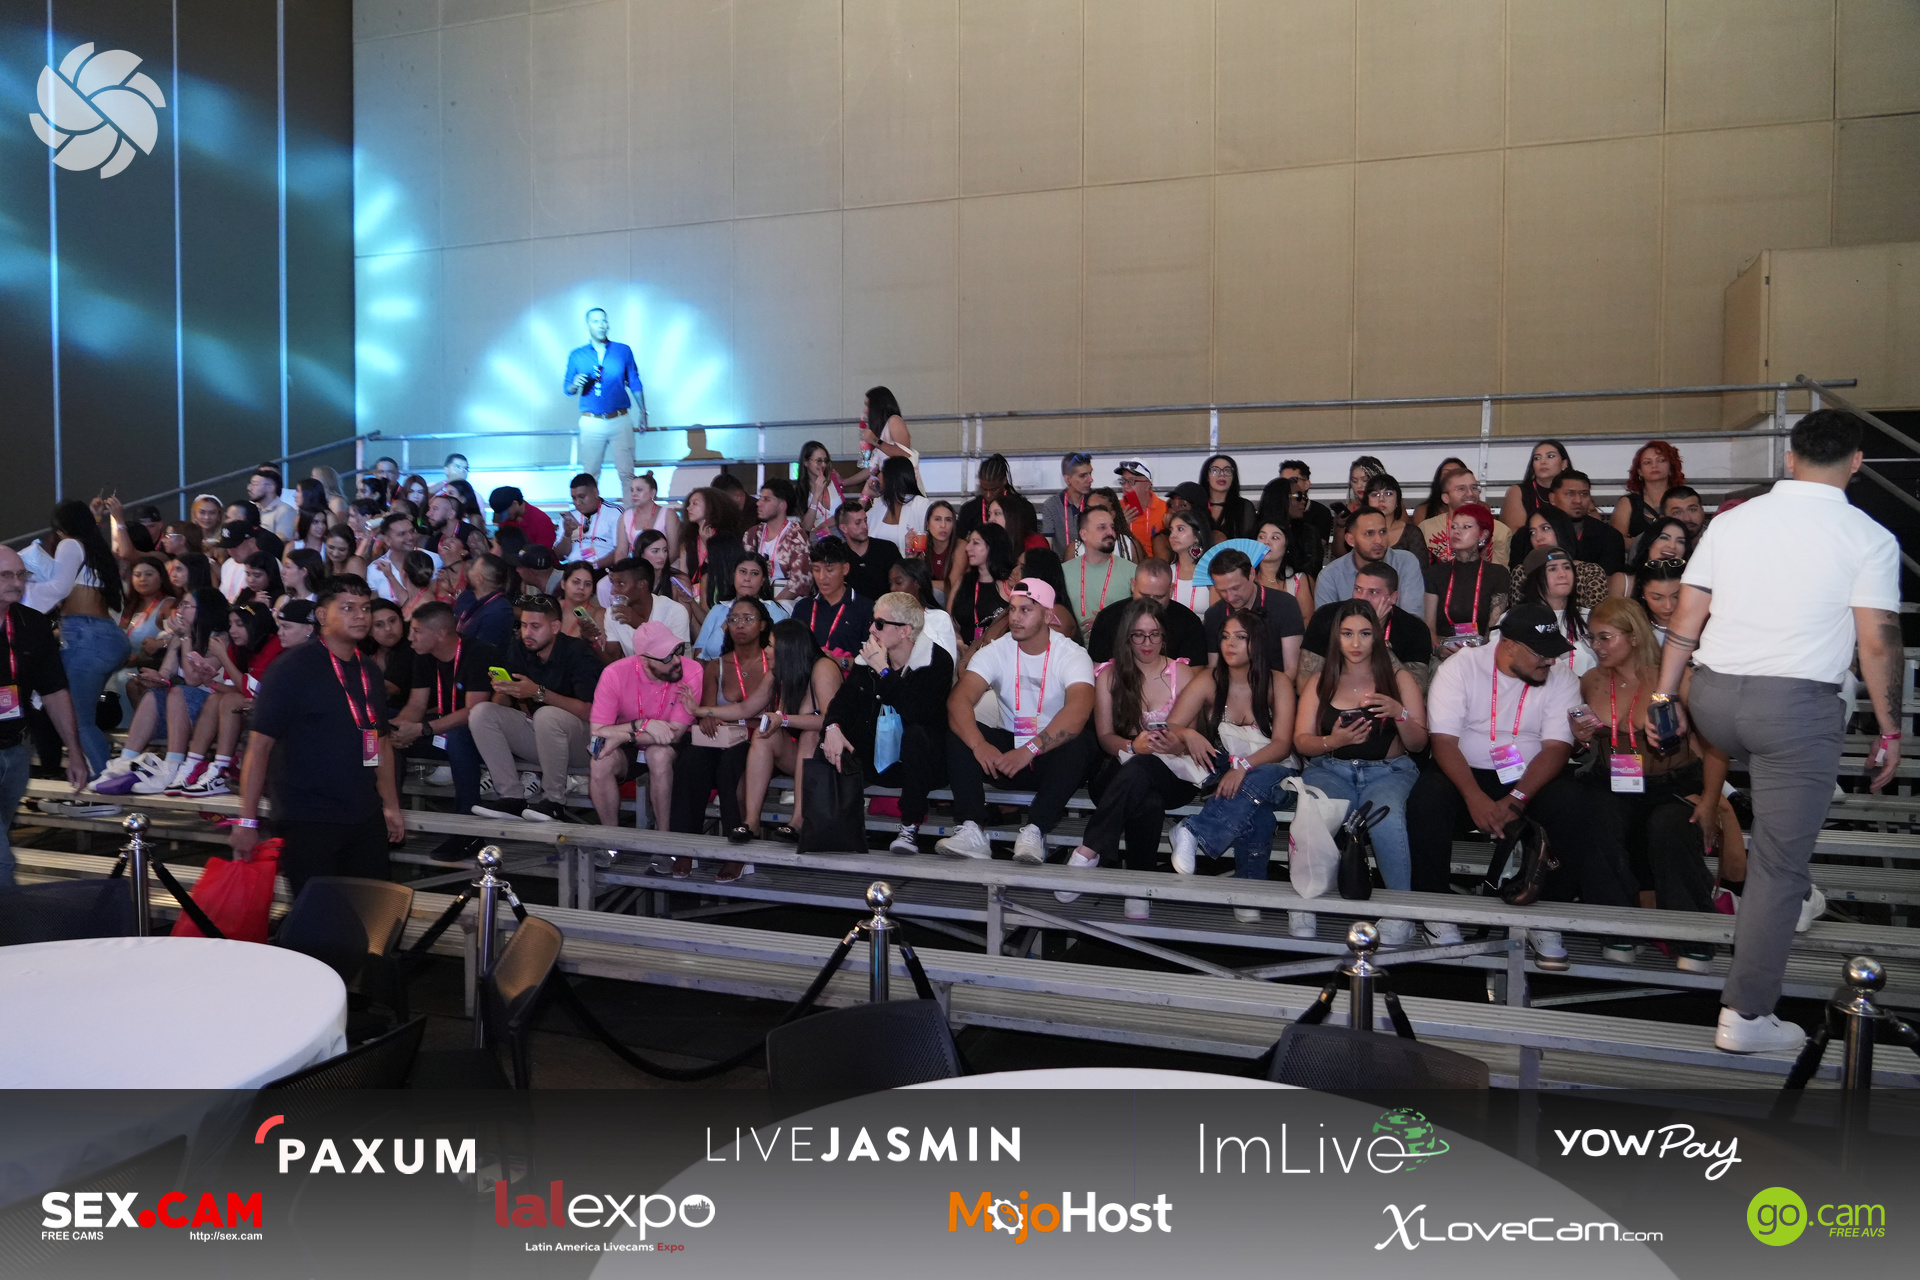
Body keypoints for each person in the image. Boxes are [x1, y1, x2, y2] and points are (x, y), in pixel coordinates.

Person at [1647, 409, 1902, 1053]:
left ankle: (1762, 824)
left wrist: (1664, 696)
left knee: (1768, 785)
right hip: (1790, 711)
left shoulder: (1732, 521)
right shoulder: (1868, 535)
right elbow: (1877, 642)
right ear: (1856, 463)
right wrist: (1890, 728)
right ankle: (1746, 1015)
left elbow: (1687, 615)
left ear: (1789, 459)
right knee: (1780, 868)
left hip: (1712, 700)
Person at [1406, 603, 1638, 968]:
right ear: (1509, 645)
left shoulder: (1560, 677)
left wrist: (1517, 797)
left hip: (1529, 775)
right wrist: (1474, 797)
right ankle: (1435, 912)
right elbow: (1444, 743)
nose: (1550, 661)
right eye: (1541, 653)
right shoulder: (1461, 668)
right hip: (1466, 772)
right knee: (1427, 798)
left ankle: (1544, 918)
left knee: (1573, 803)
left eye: (1553, 652)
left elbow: (1557, 748)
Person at [1569, 598, 1723, 970]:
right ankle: (1617, 930)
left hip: (1671, 784)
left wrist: (1710, 801)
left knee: (1670, 824)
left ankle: (1692, 935)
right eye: (1592, 638)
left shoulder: (1676, 678)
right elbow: (1578, 745)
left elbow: (1715, 746)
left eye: (1605, 637)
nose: (1597, 646)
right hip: (1611, 782)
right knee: (1595, 814)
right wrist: (1579, 738)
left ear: (1634, 636)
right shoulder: (1590, 682)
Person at [229, 575, 405, 896]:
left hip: (364, 814)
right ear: (322, 615)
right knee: (318, 916)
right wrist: (247, 821)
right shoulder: (291, 668)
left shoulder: (368, 670)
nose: (360, 616)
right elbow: (259, 747)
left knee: (371, 912)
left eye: (365, 608)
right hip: (308, 818)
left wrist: (391, 806)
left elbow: (377, 741)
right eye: (348, 608)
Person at [1296, 600, 1437, 945]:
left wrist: (1400, 713)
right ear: (1337, 638)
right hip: (1332, 768)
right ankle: (1304, 902)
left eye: (1364, 634)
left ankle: (1399, 912)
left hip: (1388, 771)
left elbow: (1419, 744)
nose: (1356, 643)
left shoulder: (1398, 678)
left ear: (1377, 636)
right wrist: (1334, 740)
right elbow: (1301, 741)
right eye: (1347, 634)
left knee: (1386, 817)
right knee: (1314, 810)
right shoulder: (1321, 680)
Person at [937, 579, 1097, 862]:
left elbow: (1078, 712)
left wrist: (1030, 749)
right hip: (1007, 756)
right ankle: (972, 828)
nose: (1015, 617)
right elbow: (957, 701)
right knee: (960, 734)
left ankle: (1035, 830)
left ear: (1048, 616)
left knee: (1082, 741)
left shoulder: (1072, 654)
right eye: (1012, 609)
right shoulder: (997, 650)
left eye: (1026, 610)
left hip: (1049, 756)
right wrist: (978, 745)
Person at [1164, 609, 1298, 924]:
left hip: (1277, 772)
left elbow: (1282, 745)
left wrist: (1245, 767)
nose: (1230, 644)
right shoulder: (1210, 679)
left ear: (1258, 643)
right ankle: (1249, 893)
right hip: (1231, 773)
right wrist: (1190, 734)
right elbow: (1172, 725)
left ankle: (1193, 830)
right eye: (1225, 637)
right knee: (1258, 813)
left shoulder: (1278, 682)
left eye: (1240, 637)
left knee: (1262, 776)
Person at [1067, 599, 1205, 904]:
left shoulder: (1182, 673)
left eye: (1154, 634)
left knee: (1144, 768)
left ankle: (1089, 849)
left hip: (1172, 772)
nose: (1147, 643)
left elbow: (1188, 736)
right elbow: (1105, 737)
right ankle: (1139, 891)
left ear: (1164, 636)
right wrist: (1132, 746)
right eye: (1139, 635)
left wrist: (1175, 744)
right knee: (1146, 796)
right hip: (1120, 767)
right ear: (1126, 637)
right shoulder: (1109, 675)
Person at [821, 590, 955, 855]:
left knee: (916, 734)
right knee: (831, 739)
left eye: (880, 624)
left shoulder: (936, 660)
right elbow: (843, 702)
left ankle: (910, 826)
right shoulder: (868, 658)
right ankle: (829, 825)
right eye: (873, 621)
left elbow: (917, 711)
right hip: (876, 756)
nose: (872, 628)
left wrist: (883, 671)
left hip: (922, 763)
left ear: (905, 631)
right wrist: (833, 727)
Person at [465, 594, 602, 822]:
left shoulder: (578, 652)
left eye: (536, 626)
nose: (527, 633)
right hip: (543, 737)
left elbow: (589, 712)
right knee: (482, 713)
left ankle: (554, 802)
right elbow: (507, 703)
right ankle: (511, 798)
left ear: (555, 627)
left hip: (584, 743)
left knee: (547, 715)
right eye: (524, 625)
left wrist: (538, 692)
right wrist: (504, 690)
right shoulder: (519, 648)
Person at [0, 546, 87, 877]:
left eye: (21, 574)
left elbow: (54, 691)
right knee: (2, 861)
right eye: (6, 575)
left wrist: (74, 752)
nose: (16, 582)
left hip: (15, 751)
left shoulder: (32, 624)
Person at [387, 601, 498, 855]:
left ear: (439, 633)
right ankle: (391, 821)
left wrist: (422, 729)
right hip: (440, 730)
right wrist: (401, 729)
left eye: (417, 631)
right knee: (383, 725)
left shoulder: (478, 653)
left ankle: (468, 833)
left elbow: (473, 711)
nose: (410, 637)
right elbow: (416, 704)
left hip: (480, 737)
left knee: (459, 736)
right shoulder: (423, 654)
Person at [32, 501, 129, 781]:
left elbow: (58, 588)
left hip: (86, 638)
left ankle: (106, 783)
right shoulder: (95, 550)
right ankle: (93, 778)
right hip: (103, 636)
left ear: (60, 528)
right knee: (59, 706)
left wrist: (21, 592)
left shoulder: (70, 545)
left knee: (78, 719)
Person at [673, 597, 773, 866]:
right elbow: (708, 715)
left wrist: (730, 720)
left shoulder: (774, 662)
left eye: (748, 619)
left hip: (761, 742)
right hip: (722, 738)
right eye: (734, 619)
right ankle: (686, 848)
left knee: (730, 764)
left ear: (763, 625)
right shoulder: (716, 665)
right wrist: (708, 718)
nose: (740, 624)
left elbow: (778, 714)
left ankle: (737, 853)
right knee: (690, 760)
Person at [730, 619, 843, 842]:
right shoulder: (781, 670)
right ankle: (751, 822)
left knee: (810, 736)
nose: (765, 649)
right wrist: (701, 711)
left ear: (788, 647)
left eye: (771, 645)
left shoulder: (823, 667)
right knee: (763, 736)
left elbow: (831, 721)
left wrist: (783, 719)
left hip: (833, 755)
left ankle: (798, 821)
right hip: (801, 758)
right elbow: (746, 708)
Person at [589, 622, 699, 844]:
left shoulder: (691, 670)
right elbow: (597, 733)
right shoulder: (614, 673)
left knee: (658, 754)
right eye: (666, 657)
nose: (676, 660)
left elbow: (674, 734)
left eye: (677, 651)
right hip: (631, 745)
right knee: (600, 760)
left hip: (671, 745)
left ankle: (663, 841)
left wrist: (625, 735)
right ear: (645, 660)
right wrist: (641, 724)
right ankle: (611, 842)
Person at [563, 306, 646, 485]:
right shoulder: (577, 355)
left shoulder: (623, 351)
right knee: (590, 475)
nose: (601, 325)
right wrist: (575, 384)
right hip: (591, 421)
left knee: (627, 474)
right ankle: (592, 505)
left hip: (620, 418)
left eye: (604, 321)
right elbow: (567, 388)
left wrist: (643, 411)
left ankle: (629, 505)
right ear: (587, 325)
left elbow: (634, 381)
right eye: (595, 321)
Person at [1085, 558, 1210, 667]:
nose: (1150, 603)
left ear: (1171, 590)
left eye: (1158, 597)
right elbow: (1097, 669)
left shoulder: (1188, 622)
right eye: (1144, 595)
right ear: (1133, 585)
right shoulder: (1108, 618)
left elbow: (1195, 672)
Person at [1202, 548, 1303, 678]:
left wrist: (1273, 689)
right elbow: (1213, 670)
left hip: (1275, 684)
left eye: (1236, 588)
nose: (1230, 597)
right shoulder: (1214, 615)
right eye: (1222, 591)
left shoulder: (1284, 604)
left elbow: (1291, 669)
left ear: (1251, 574)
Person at [1422, 502, 1510, 651]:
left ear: (1483, 534)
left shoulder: (1498, 574)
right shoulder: (1435, 573)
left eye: (1466, 527)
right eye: (1453, 527)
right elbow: (1429, 625)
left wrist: (1477, 653)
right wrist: (1438, 649)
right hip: (1444, 650)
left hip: (1483, 651)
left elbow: (1493, 628)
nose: (1456, 532)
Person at [1315, 509, 1429, 621]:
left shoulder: (1405, 562)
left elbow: (1412, 619)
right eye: (1369, 533)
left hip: (1398, 633)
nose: (1379, 540)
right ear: (1350, 540)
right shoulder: (1330, 576)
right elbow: (1325, 625)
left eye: (1383, 532)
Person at [792, 537, 875, 669]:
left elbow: (873, 663)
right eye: (816, 570)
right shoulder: (803, 607)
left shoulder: (866, 609)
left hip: (848, 679)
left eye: (829, 570)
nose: (822, 577)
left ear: (845, 569)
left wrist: (839, 661)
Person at [1512, 546, 1595, 675]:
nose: (1562, 574)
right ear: (1535, 577)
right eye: (1552, 569)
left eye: (1567, 567)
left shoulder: (1591, 618)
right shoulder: (1514, 620)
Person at [694, 553, 788, 660]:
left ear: (763, 580)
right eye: (743, 572)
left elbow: (782, 657)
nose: (747, 578)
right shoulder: (718, 610)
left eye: (755, 573)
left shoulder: (774, 612)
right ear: (734, 575)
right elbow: (698, 655)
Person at [1417, 466, 1513, 566]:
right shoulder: (1426, 528)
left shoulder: (1500, 531)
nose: (1470, 493)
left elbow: (1499, 572)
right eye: (1461, 489)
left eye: (1474, 488)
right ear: (1446, 498)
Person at [1522, 504, 1609, 610]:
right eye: (1532, 532)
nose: (1538, 537)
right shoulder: (1523, 571)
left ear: (1561, 530)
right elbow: (1517, 614)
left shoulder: (1590, 571)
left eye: (1545, 528)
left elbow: (1599, 615)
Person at [1061, 505, 1137, 628]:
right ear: (1084, 534)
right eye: (1102, 527)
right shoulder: (1063, 572)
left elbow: (1140, 615)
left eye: (1112, 527)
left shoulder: (1133, 572)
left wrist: (1107, 622)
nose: (1110, 532)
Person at [1549, 470, 1626, 576]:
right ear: (1552, 498)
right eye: (1570, 494)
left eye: (1584, 494)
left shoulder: (1609, 536)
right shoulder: (1536, 533)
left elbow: (1609, 579)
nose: (1578, 500)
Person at [951, 523, 1015, 648]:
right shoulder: (964, 581)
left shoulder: (1009, 584)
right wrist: (959, 643)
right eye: (969, 542)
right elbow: (951, 622)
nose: (968, 548)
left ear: (993, 547)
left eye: (975, 543)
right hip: (962, 650)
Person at [748, 478, 811, 601]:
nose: (758, 503)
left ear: (782, 505)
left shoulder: (796, 536)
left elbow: (800, 583)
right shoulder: (752, 534)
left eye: (766, 499)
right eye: (760, 498)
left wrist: (772, 606)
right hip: (757, 600)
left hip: (787, 603)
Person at [885, 558, 959, 659]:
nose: (892, 588)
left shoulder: (939, 618)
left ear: (917, 583)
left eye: (899, 583)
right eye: (890, 583)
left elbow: (949, 660)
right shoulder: (888, 618)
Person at [1613, 440, 1684, 538]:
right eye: (1647, 462)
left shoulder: (1684, 498)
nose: (1654, 466)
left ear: (1671, 467)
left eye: (1661, 460)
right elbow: (1616, 540)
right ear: (1639, 471)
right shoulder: (1627, 502)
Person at [848, 386, 913, 493]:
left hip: (902, 490)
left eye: (868, 405)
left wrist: (875, 441)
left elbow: (905, 455)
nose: (865, 410)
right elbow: (871, 469)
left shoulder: (895, 421)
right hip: (889, 490)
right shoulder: (882, 431)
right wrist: (844, 482)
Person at [368, 512, 442, 604]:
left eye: (412, 531)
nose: (410, 537)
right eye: (402, 534)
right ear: (387, 540)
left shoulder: (435, 560)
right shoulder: (374, 569)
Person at [833, 500, 902, 600]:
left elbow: (903, 582)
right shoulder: (838, 556)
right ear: (844, 528)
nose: (865, 526)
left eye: (865, 520)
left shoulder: (887, 549)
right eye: (858, 523)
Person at [1499, 439, 1573, 531]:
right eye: (1537, 458)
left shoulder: (1576, 491)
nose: (1543, 462)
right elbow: (1516, 532)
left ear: (1564, 464)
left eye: (1550, 456)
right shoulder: (1518, 492)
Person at [1609, 516, 1691, 599]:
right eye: (1664, 538)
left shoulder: (1691, 583)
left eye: (1680, 541)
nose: (1672, 546)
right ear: (1649, 542)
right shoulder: (1623, 581)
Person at [867, 456, 931, 560]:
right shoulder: (880, 504)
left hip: (909, 567)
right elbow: (855, 524)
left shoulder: (920, 505)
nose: (878, 476)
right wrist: (865, 496)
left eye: (882, 472)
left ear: (891, 477)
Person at [556, 473, 623, 569]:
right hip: (572, 568)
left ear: (595, 492)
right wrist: (567, 534)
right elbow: (560, 556)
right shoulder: (570, 517)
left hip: (601, 569)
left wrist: (594, 566)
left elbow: (621, 551)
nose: (577, 503)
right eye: (574, 498)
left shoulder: (614, 512)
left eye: (582, 497)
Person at [612, 471, 679, 567]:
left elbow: (674, 551)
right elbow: (621, 552)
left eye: (639, 490)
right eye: (632, 490)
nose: (634, 494)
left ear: (652, 492)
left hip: (665, 568)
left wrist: (657, 570)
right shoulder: (625, 516)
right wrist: (621, 571)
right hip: (637, 570)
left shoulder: (668, 514)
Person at [1040, 451, 1095, 559]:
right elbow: (1047, 546)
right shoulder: (1051, 505)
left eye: (1090, 473)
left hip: (1092, 564)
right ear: (1068, 479)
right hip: (1063, 566)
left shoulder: (1097, 502)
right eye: (1083, 475)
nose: (1090, 480)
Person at [455, 554, 515, 651]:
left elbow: (483, 652)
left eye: (472, 568)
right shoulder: (467, 596)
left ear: (479, 579)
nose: (468, 569)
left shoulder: (499, 611)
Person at [1363, 473, 1425, 561]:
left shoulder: (1412, 533)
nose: (1381, 499)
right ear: (1367, 500)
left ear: (1397, 501)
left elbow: (1420, 567)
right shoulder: (1359, 531)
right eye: (1375, 494)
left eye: (1388, 494)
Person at [1278, 460, 1334, 553]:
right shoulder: (1274, 509)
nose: (1287, 485)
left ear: (1307, 484)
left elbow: (1316, 547)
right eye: (1282, 481)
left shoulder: (1320, 512)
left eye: (1293, 480)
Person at [1164, 507, 1213, 613]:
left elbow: (1218, 615)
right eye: (1171, 530)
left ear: (1196, 536)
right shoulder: (1166, 572)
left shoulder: (1212, 573)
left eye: (1180, 529)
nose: (1172, 536)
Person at [1115, 458, 1168, 555]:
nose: (1125, 487)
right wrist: (1120, 526)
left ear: (1147, 485)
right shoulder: (1115, 508)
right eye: (1123, 481)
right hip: (1125, 561)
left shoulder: (1165, 509)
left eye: (1131, 481)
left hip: (1156, 562)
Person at [1199, 454, 1257, 541]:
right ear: (1207, 476)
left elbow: (1248, 541)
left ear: (1233, 477)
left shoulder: (1244, 506)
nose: (1222, 474)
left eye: (1227, 470)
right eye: (1215, 470)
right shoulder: (1197, 505)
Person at [797, 440, 846, 537]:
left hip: (842, 537)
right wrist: (816, 495)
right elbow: (806, 528)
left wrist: (824, 525)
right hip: (818, 542)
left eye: (825, 461)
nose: (823, 465)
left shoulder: (833, 479)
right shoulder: (800, 491)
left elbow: (846, 513)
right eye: (819, 461)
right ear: (806, 462)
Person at [1632, 558, 1686, 642]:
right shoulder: (1633, 628)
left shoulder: (1700, 626)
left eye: (1676, 596)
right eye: (1657, 598)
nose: (1668, 606)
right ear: (1642, 593)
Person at [489, 486, 557, 550]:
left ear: (515, 504)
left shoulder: (541, 521)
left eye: (505, 513)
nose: (504, 517)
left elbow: (543, 552)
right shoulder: (507, 517)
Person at [557, 561, 608, 646]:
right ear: (563, 584)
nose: (581, 587)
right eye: (576, 582)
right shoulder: (554, 607)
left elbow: (602, 649)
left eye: (587, 584)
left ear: (592, 589)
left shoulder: (600, 614)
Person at [247, 466, 298, 542]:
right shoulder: (251, 509)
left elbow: (281, 542)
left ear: (270, 487)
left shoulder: (285, 511)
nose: (249, 488)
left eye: (255, 484)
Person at [1409, 456, 1465, 524]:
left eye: (1456, 473)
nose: (1450, 477)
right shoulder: (1423, 511)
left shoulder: (1477, 509)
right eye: (1446, 474)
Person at [922, 500, 957, 600]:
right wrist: (911, 553)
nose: (943, 525)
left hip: (954, 600)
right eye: (937, 519)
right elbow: (912, 579)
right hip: (927, 600)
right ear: (928, 524)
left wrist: (920, 583)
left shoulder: (960, 546)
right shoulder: (922, 544)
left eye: (948, 520)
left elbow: (952, 585)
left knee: (935, 594)